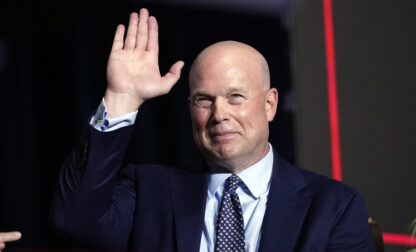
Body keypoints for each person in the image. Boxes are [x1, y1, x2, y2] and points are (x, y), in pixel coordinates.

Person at [50, 8, 376, 251]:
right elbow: (75, 218)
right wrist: (121, 98)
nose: (219, 114)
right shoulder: (150, 193)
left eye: (236, 96)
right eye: (204, 100)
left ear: (270, 104)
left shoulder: (334, 207)